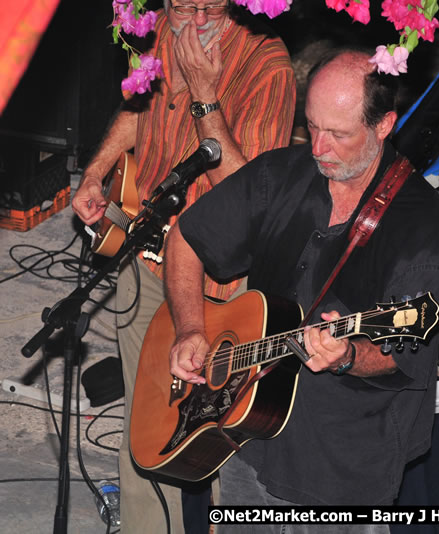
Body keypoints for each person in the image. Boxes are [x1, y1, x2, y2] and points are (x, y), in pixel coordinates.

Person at [164, 48, 439, 531]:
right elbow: (186, 238)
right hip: (244, 430)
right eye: (312, 125)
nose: (318, 147)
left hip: (341, 461)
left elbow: (403, 353)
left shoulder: (420, 226)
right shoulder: (280, 173)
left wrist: (346, 356)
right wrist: (191, 327)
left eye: (338, 134)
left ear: (384, 126)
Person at [70, 1, 295, 532]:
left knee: (210, 438)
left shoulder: (268, 65)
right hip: (142, 257)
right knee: (144, 432)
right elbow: (137, 107)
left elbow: (251, 199)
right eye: (180, 3)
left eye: (207, 4)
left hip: (214, 282)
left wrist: (204, 95)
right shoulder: (157, 31)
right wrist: (96, 172)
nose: (193, 15)